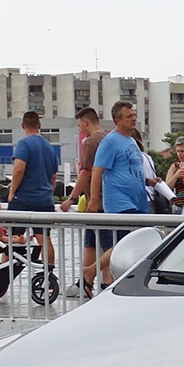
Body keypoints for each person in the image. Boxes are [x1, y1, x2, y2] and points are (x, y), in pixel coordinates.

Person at [89, 101, 150, 290]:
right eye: (129, 116)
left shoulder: (131, 141)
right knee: (125, 242)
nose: (134, 119)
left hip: (138, 200)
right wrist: (94, 199)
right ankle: (91, 271)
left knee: (139, 242)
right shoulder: (110, 141)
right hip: (119, 201)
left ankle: (116, 280)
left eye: (134, 115)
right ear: (118, 120)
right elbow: (97, 170)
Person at [61, 106, 106, 295]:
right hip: (108, 200)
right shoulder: (108, 138)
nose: (81, 130)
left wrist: (71, 198)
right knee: (93, 242)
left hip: (97, 202)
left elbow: (86, 173)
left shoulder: (90, 142)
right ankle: (86, 281)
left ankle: (91, 281)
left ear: (86, 122)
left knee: (99, 243)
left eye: (81, 126)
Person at [8, 111, 58, 272]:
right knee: (44, 238)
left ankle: (2, 278)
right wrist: (49, 192)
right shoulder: (49, 147)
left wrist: (12, 192)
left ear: (23, 125)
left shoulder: (24, 144)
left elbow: (18, 170)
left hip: (23, 199)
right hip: (45, 200)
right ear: (39, 126)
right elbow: (53, 176)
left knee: (11, 239)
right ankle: (48, 276)